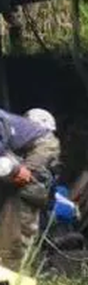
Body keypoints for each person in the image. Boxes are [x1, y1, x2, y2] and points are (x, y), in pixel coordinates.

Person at [0, 108, 60, 269]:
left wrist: (16, 171)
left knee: (24, 191)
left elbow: (6, 165)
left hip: (41, 146)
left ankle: (9, 276)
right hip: (14, 153)